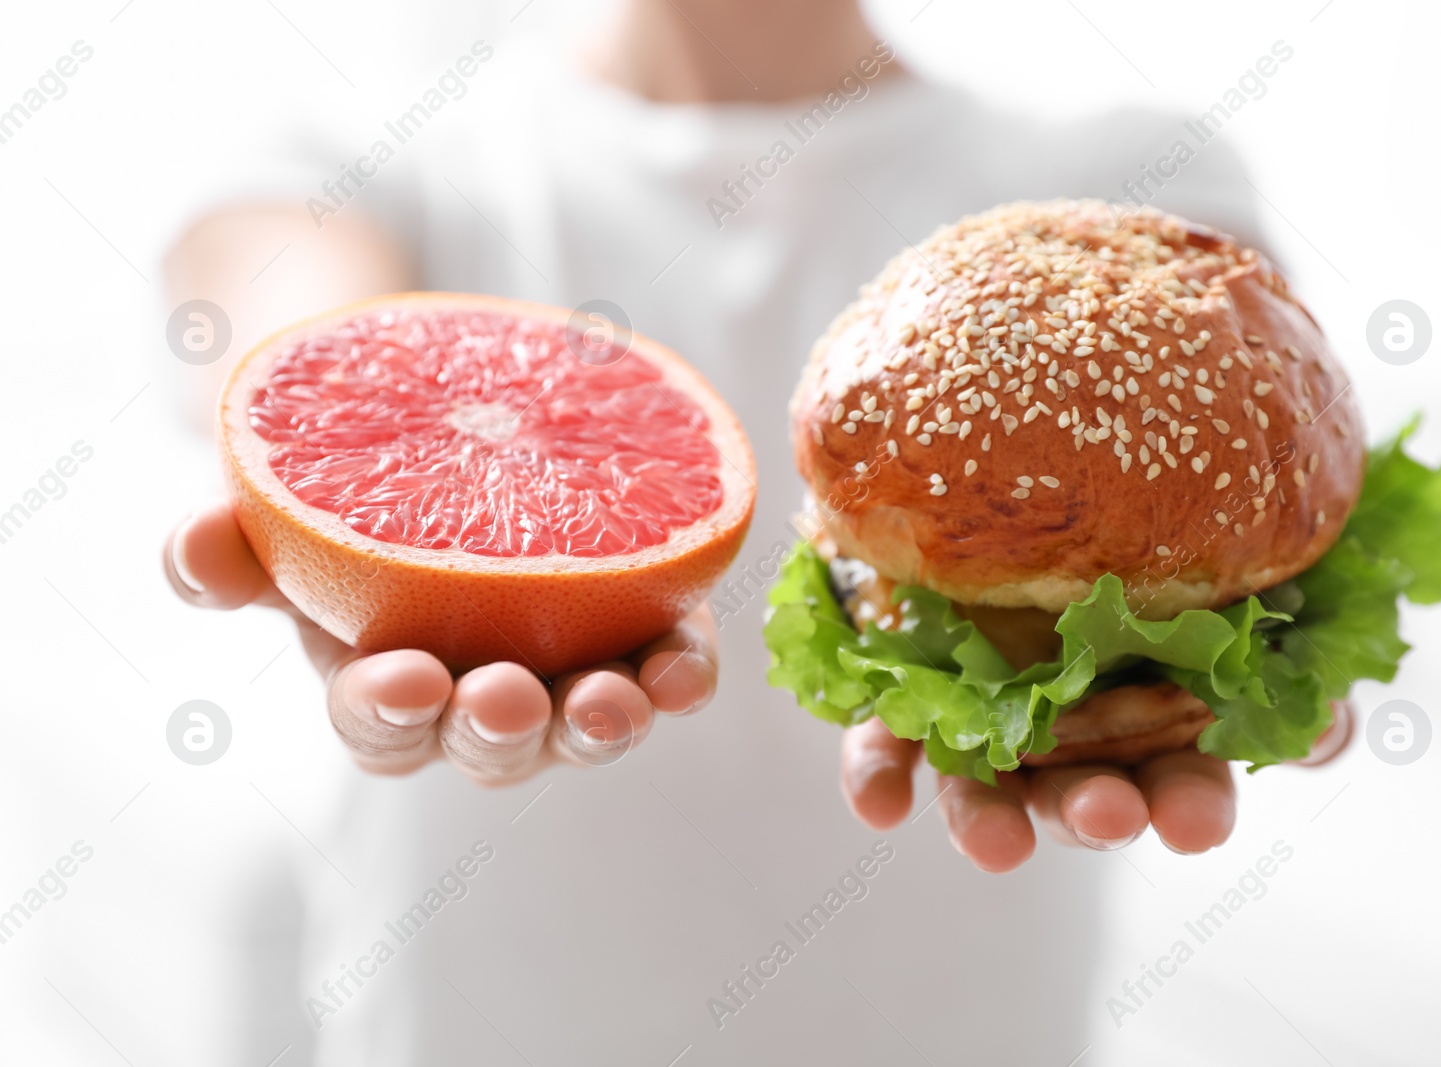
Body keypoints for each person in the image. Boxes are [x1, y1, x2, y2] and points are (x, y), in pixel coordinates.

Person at [162, 0, 1348, 1059]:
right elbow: (279, 304)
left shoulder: (1125, 165)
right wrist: (343, 471)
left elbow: (1255, 382)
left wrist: (1257, 633)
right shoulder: (373, 159)